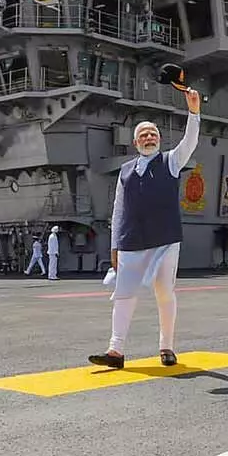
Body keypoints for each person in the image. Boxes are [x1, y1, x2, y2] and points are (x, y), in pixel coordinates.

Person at [89, 87, 201, 369]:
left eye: (153, 134)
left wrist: (194, 112)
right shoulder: (125, 171)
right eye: (143, 135)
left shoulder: (171, 161)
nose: (148, 137)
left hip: (164, 239)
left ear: (159, 140)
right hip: (130, 240)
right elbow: (118, 209)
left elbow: (190, 142)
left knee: (164, 292)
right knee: (124, 294)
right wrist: (114, 245)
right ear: (136, 142)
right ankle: (115, 351)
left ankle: (166, 347)